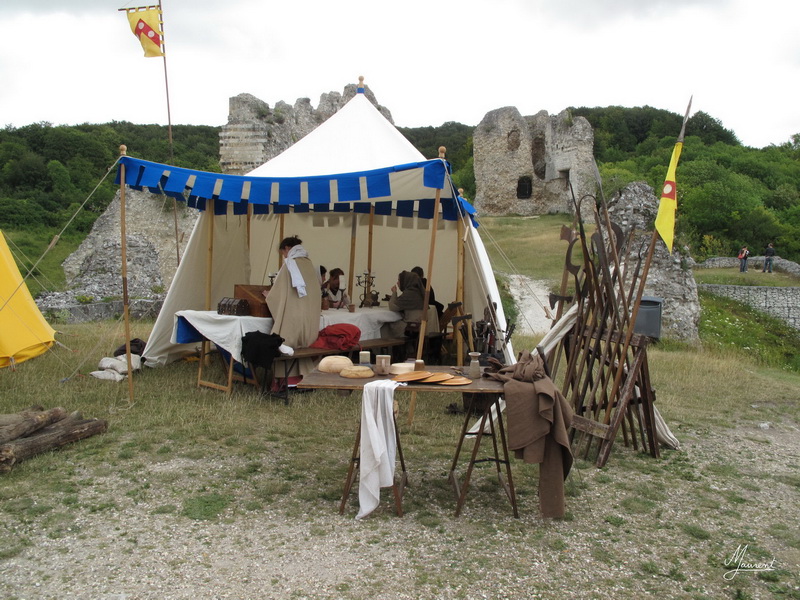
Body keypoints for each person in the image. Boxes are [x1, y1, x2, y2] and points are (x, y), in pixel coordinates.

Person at [263, 236, 320, 381]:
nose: (284, 256)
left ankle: (287, 381)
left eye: (283, 253)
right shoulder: (309, 264)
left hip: (293, 317)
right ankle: (305, 377)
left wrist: (269, 296)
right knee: (301, 344)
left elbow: (277, 294)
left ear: (287, 248)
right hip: (309, 320)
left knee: (283, 341)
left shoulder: (290, 264)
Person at [382, 270, 426, 338]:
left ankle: (382, 344)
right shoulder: (418, 292)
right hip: (421, 328)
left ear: (406, 281)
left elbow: (392, 307)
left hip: (410, 329)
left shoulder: (409, 294)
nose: (397, 283)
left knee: (384, 324)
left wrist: (394, 292)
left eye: (399, 280)